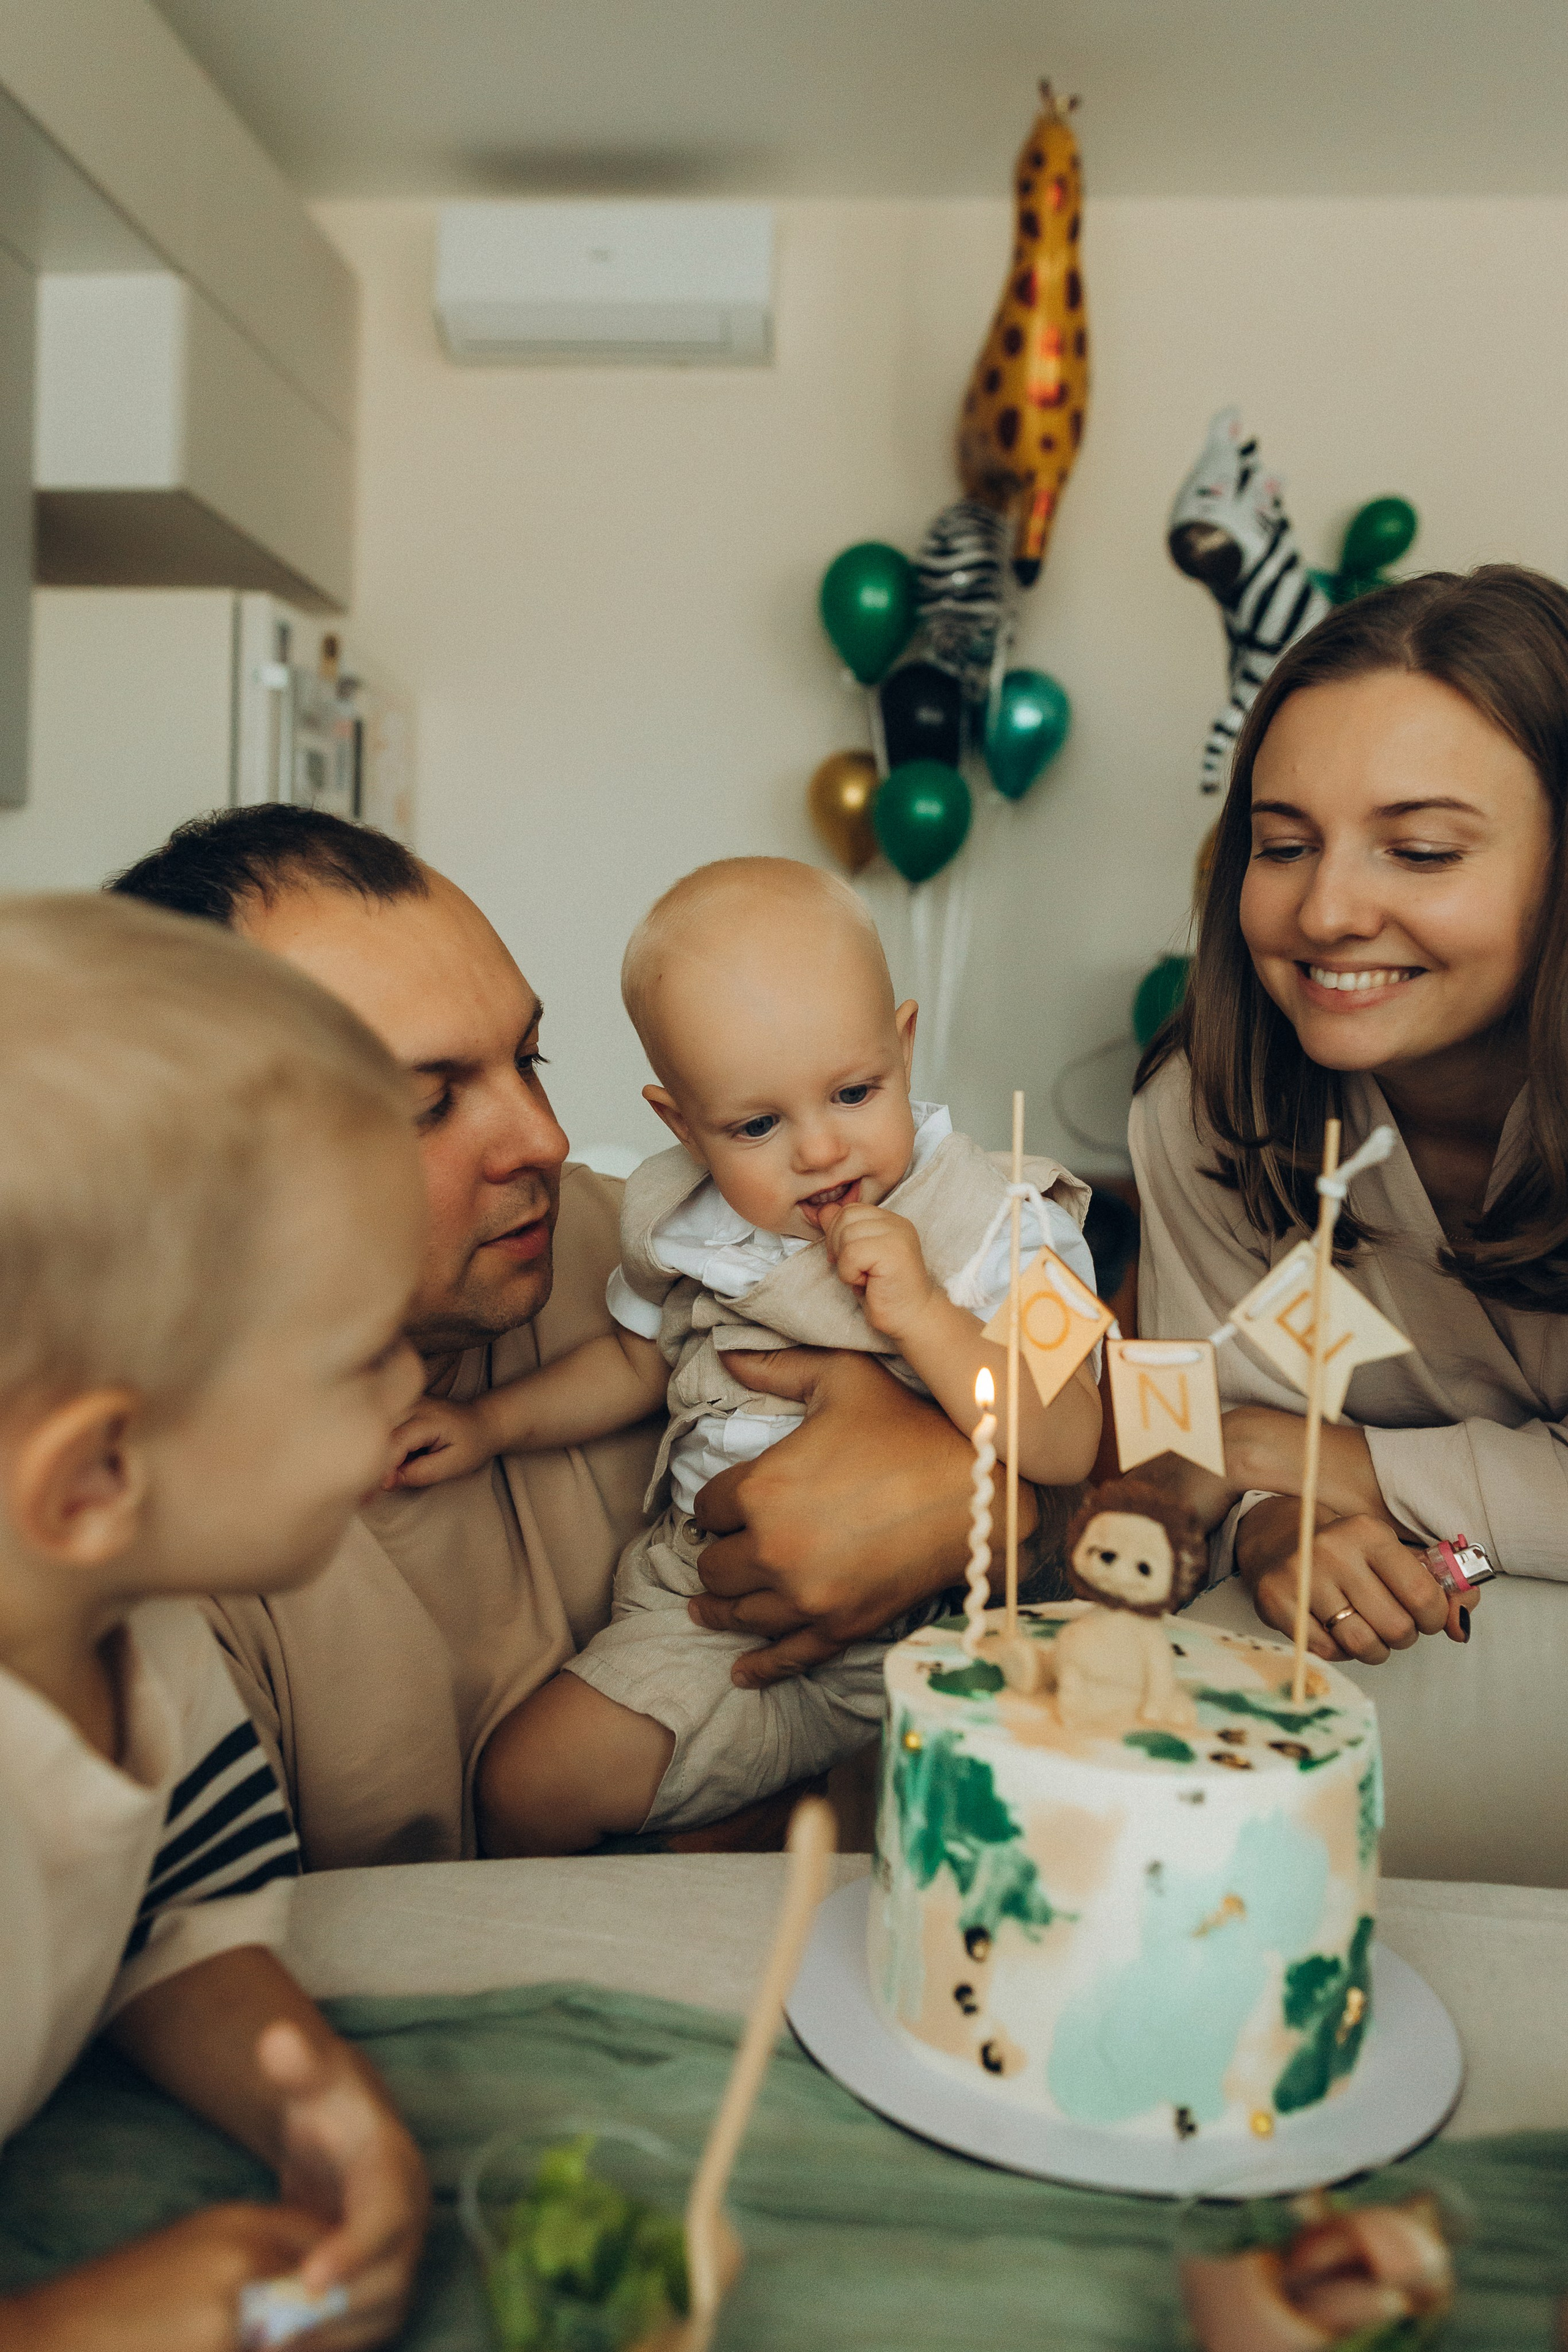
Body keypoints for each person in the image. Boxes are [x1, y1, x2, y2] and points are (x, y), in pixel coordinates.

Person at [110, 809, 1077, 1867]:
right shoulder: (138, 1537)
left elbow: (1132, 1470)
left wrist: (977, 1505)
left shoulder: (655, 1241)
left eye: (532, 1056)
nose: (545, 1135)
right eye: (432, 1105)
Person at [391, 859, 1101, 1849]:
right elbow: (636, 1367)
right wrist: (486, 1424)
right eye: (757, 1124)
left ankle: (830, 1806)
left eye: (854, 1092)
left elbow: (1067, 1442)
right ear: (681, 1123)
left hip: (912, 1621)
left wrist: (930, 1316)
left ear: (902, 1047)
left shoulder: (997, 1224)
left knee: (536, 1786)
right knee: (527, 1789)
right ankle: (787, 1819)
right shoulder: (687, 1220)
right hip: (702, 1593)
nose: (820, 1151)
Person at [0, 895, 428, 2350]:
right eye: (366, 1356)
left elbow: (178, 1909)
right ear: (97, 1476)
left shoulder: (140, 1627)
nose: (412, 1392)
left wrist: (316, 2102)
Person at [1132, 564, 1568, 1666]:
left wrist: (1335, 1462)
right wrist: (1274, 1517)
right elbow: (1185, 1456)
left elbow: (1256, 1441)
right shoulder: (1204, 1112)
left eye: (1420, 852)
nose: (1326, 912)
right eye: (1283, 846)